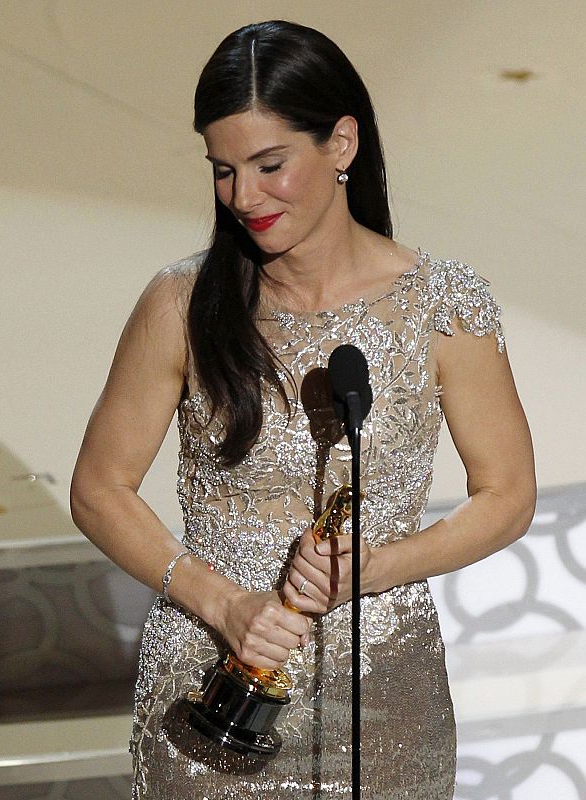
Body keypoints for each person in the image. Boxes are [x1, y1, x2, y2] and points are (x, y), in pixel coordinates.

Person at [70, 19, 536, 800]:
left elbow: (508, 495)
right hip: (209, 687)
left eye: (269, 164)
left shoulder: (443, 304)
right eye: (223, 170)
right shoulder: (182, 303)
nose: (243, 197)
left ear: (342, 144)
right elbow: (99, 487)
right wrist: (222, 603)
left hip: (385, 690)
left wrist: (375, 569)